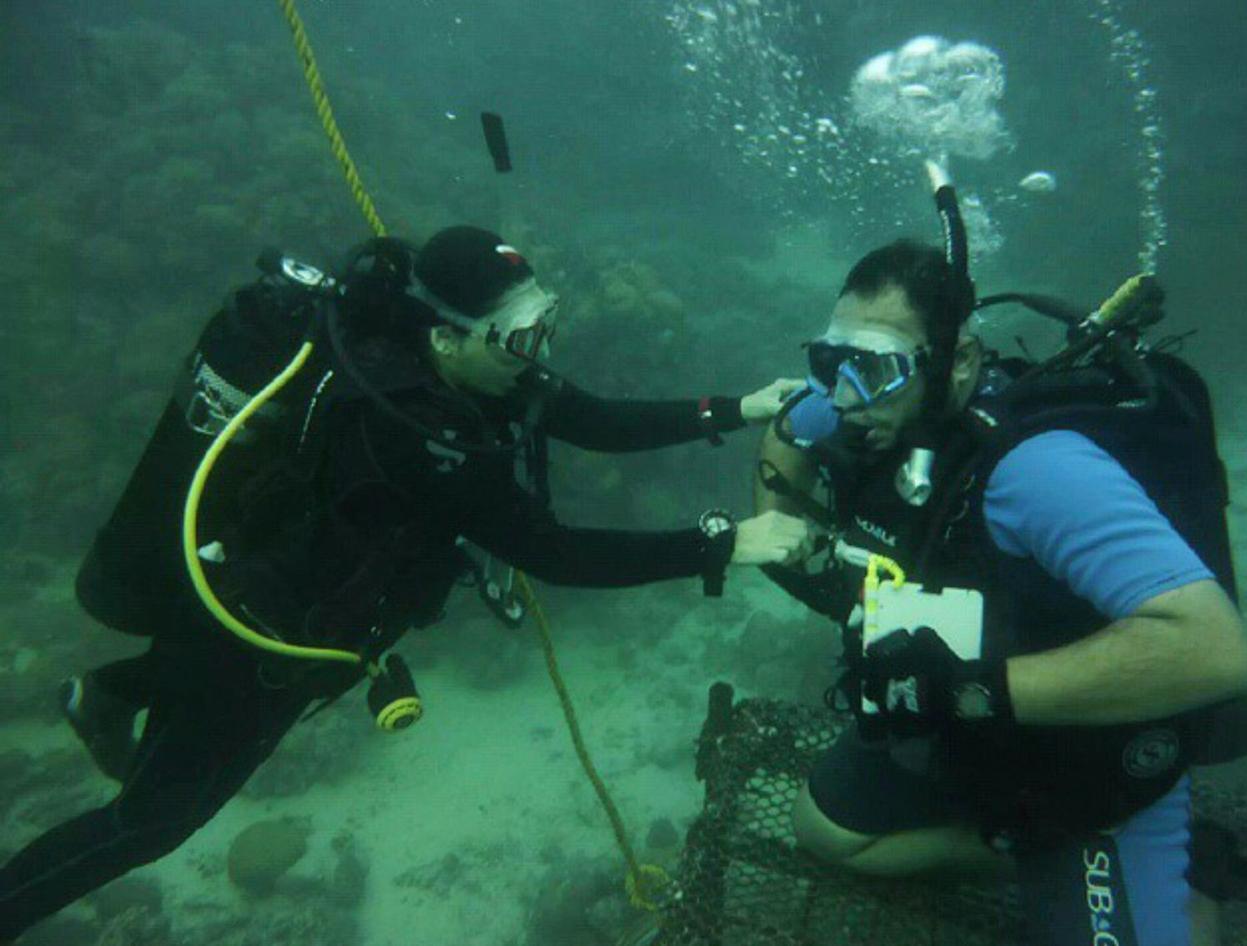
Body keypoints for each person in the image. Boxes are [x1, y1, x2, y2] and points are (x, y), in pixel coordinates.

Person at [0, 225, 813, 941]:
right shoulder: (422, 435)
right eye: (520, 337)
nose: (538, 356)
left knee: (205, 697)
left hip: (268, 590)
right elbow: (558, 556)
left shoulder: (465, 364)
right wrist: (724, 545)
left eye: (544, 327)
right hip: (264, 639)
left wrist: (736, 408)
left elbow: (592, 420)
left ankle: (110, 693)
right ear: (446, 335)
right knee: (151, 824)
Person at [753, 193, 1247, 943]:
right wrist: (805, 550)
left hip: (1093, 755)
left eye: (874, 368)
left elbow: (1219, 655)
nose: (843, 394)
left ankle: (1183, 884)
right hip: (969, 721)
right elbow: (785, 428)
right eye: (830, 361)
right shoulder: (855, 406)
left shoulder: (1040, 473)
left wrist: (965, 692)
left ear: (958, 361)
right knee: (826, 831)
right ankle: (1025, 853)